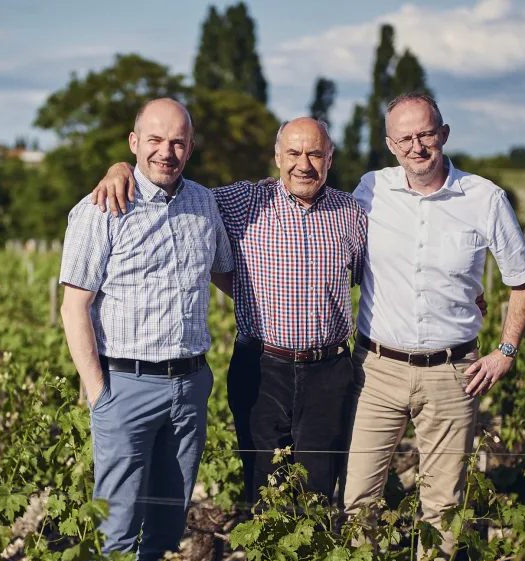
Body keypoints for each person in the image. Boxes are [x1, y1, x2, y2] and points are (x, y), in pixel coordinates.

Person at [92, 118, 367, 508]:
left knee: (318, 489)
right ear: (276, 157)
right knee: (262, 485)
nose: (303, 164)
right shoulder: (243, 201)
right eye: (293, 152)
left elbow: (377, 278)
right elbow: (173, 187)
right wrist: (120, 169)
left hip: (329, 371)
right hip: (262, 368)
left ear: (330, 158)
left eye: (315, 153)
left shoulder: (351, 213)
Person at [342, 92, 525, 558]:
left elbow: (523, 278)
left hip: (454, 373)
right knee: (358, 499)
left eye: (426, 134)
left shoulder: (485, 198)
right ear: (391, 145)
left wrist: (505, 350)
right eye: (405, 137)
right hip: (376, 369)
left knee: (444, 506)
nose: (417, 146)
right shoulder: (370, 189)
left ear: (444, 135)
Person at [59, 98, 234, 561]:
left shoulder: (204, 202)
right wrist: (99, 394)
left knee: (165, 529)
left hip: (190, 386)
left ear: (191, 148)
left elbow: (224, 274)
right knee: (114, 531)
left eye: (178, 142)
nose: (166, 151)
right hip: (125, 386)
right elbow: (75, 307)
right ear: (134, 144)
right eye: (154, 140)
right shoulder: (103, 207)